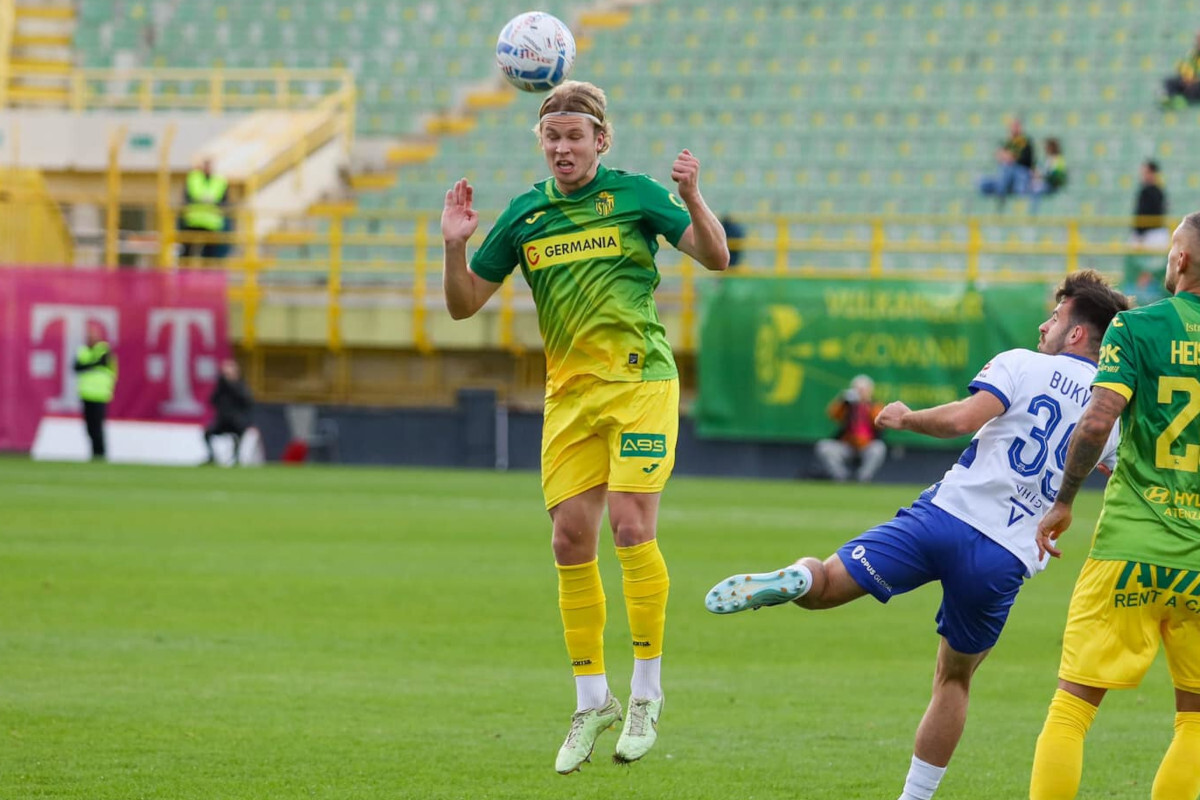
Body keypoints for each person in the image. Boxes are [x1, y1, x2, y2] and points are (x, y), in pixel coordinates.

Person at [706, 269, 1130, 800]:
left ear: (1075, 334)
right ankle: (915, 797)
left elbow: (960, 420)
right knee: (954, 679)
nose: (1044, 324)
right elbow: (1122, 473)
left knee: (827, 587)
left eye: (1055, 316)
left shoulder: (1022, 365)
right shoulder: (1112, 413)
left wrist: (907, 417)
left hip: (945, 518)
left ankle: (799, 575)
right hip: (1004, 556)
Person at [440, 80, 728, 774]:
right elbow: (462, 305)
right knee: (570, 539)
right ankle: (591, 699)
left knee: (632, 526)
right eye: (552, 137)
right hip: (569, 396)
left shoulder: (634, 197)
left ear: (602, 141)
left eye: (575, 136)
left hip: (640, 384)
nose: (562, 147)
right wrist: (454, 246)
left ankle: (646, 695)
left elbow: (716, 257)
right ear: (540, 143)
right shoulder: (524, 217)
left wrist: (691, 196)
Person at [1028, 214, 1200, 800]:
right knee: (1196, 722)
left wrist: (1063, 502)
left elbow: (1097, 420)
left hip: (1130, 545)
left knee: (1073, 707)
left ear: (1178, 261)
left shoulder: (1136, 327)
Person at [814, 374, 887, 482]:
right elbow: (832, 414)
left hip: (867, 445)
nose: (860, 392)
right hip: (847, 445)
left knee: (879, 448)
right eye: (857, 389)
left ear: (870, 391)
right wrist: (842, 400)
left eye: (863, 390)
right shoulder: (846, 405)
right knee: (824, 447)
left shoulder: (875, 405)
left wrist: (866, 406)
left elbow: (880, 423)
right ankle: (841, 477)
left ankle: (863, 478)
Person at [74, 322, 117, 461]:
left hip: (100, 395)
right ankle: (94, 453)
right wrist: (92, 364)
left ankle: (100, 453)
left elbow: (101, 364)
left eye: (92, 335)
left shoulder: (104, 350)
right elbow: (76, 367)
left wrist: (87, 365)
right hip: (86, 394)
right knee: (89, 427)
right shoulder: (82, 351)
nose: (90, 338)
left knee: (98, 426)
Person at [203, 359, 254, 465]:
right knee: (207, 433)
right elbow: (212, 400)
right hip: (222, 420)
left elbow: (247, 401)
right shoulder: (221, 387)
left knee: (239, 434)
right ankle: (212, 456)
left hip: (236, 420)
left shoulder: (240, 385)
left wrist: (230, 383)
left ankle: (236, 458)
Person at [179, 158, 230, 259]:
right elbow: (186, 198)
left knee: (209, 255)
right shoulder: (193, 178)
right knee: (187, 251)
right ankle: (185, 273)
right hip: (193, 221)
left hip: (211, 223)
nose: (207, 167)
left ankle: (207, 274)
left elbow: (225, 201)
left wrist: (214, 202)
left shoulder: (220, 181)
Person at [979, 118, 1036, 203]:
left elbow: (1023, 158)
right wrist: (1007, 156)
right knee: (987, 179)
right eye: (1013, 127)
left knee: (1012, 173)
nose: (1014, 129)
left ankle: (1015, 199)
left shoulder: (1025, 141)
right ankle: (1000, 194)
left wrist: (1010, 157)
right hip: (1008, 171)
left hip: (1022, 170)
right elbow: (1000, 155)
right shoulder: (1008, 142)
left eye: (1016, 126)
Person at [1132, 160, 1170, 249]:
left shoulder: (1157, 192)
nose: (1143, 176)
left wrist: (1140, 232)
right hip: (1144, 234)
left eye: (1146, 172)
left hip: (1154, 233)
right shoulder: (1145, 191)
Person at [1161, 30, 1200, 109]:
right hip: (1191, 82)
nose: (1197, 42)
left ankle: (1184, 103)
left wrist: (1194, 80)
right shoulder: (1193, 55)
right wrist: (1186, 78)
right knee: (1170, 81)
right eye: (1197, 39)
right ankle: (1172, 101)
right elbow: (1185, 68)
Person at [1031, 137, 1068, 212]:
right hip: (1046, 183)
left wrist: (1041, 175)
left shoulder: (1058, 159)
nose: (1045, 149)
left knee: (1036, 190)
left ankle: (1033, 213)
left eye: (1047, 146)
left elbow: (1056, 175)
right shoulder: (1049, 159)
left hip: (1053, 185)